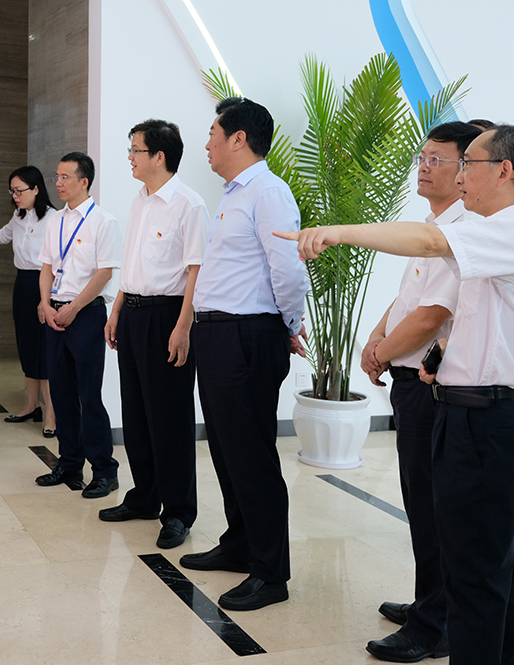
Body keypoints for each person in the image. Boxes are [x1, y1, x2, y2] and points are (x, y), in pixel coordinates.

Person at [277, 125, 514, 665]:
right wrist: (437, 364)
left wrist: (337, 232)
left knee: (475, 581)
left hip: (488, 421)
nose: (459, 175)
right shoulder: (494, 234)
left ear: (504, 171)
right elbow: (472, 324)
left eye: (468, 163)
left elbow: (430, 248)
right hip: (466, 412)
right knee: (485, 569)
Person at [359, 121, 484, 663]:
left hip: (433, 388)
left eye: (438, 158)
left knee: (435, 510)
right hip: (408, 380)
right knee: (421, 503)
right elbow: (407, 300)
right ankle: (429, 603)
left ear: (465, 171)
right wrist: (376, 339)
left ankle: (435, 626)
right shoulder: (432, 226)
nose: (424, 166)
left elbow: (433, 316)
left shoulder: (461, 234)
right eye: (422, 157)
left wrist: (382, 354)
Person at [178, 98, 308, 612]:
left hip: (247, 336)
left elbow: (289, 269)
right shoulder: (233, 194)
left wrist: (287, 326)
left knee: (252, 455)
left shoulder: (268, 192)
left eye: (213, 133)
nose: (207, 143)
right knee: (227, 450)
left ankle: (271, 573)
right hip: (218, 335)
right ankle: (239, 544)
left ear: (238, 138)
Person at [99, 119, 208, 549]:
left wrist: (183, 327)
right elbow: (131, 263)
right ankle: (145, 496)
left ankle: (178, 511)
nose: (130, 157)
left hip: (168, 318)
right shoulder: (140, 200)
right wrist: (116, 310)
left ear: (159, 156)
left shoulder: (189, 204)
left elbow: (196, 271)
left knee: (170, 418)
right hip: (133, 314)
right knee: (137, 412)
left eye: (136, 150)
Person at [34, 152, 122, 498]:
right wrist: (45, 303)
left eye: (65, 177)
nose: (58, 183)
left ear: (84, 181)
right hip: (54, 314)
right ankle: (69, 463)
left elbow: (104, 273)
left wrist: (74, 308)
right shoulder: (55, 220)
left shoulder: (103, 221)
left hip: (84, 315)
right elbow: (46, 267)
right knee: (61, 393)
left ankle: (104, 471)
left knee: (88, 395)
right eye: (56, 176)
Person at [0, 165, 57, 437]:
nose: (15, 196)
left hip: (44, 285)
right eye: (12, 191)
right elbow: (6, 233)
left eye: (19, 191)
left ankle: (51, 414)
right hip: (23, 285)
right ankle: (31, 405)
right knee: (26, 346)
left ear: (36, 189)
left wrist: (46, 298)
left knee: (44, 350)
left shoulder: (53, 218)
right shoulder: (18, 216)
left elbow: (58, 261)